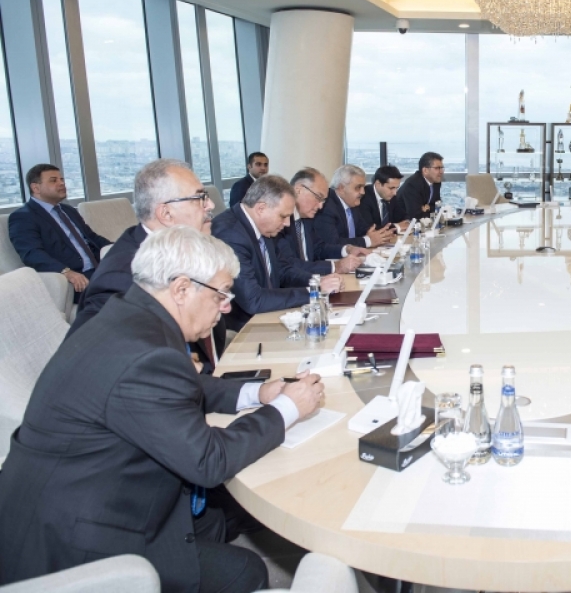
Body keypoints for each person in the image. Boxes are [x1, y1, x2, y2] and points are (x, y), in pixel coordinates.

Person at [0, 226, 326, 592]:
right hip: (77, 539)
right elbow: (208, 460)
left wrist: (259, 393)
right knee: (244, 570)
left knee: (236, 511)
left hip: (78, 492)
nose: (226, 306)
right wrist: (286, 409)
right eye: (220, 293)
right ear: (182, 289)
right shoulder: (146, 353)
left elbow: (173, 388)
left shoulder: (129, 316)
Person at [69, 161, 223, 376]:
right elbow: (83, 361)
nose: (210, 205)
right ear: (166, 214)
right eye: (200, 198)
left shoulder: (181, 251)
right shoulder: (123, 278)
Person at [212, 174, 340, 330]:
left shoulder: (264, 226)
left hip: (268, 315)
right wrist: (313, 291)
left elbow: (283, 269)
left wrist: (317, 282)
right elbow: (254, 300)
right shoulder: (231, 234)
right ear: (261, 208)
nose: (287, 224)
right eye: (283, 216)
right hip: (245, 328)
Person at [7, 163, 112, 303]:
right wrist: (66, 272)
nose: (61, 183)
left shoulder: (68, 210)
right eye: (53, 180)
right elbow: (32, 253)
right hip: (75, 278)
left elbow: (92, 237)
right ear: (35, 188)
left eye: (62, 179)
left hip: (99, 269)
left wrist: (121, 248)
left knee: (139, 283)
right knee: (121, 296)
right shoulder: (23, 217)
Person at [274, 167, 366, 285]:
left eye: (323, 200)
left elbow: (319, 248)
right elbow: (291, 264)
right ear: (299, 190)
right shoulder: (281, 222)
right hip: (296, 287)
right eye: (318, 197)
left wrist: (347, 249)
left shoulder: (306, 218)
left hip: (314, 282)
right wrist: (335, 266)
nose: (320, 206)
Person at [313, 164, 394, 250]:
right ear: (341, 188)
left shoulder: (352, 203)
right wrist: (367, 241)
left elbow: (363, 229)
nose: (363, 192)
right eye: (358, 187)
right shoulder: (326, 207)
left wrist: (376, 234)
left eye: (363, 187)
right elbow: (333, 243)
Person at [391, 152, 445, 222]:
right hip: (403, 223)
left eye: (442, 168)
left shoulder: (436, 182)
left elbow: (437, 206)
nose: (441, 172)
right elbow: (416, 215)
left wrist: (428, 209)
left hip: (423, 222)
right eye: (437, 168)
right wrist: (430, 210)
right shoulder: (412, 185)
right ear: (425, 170)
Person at [356, 164, 405, 232]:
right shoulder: (364, 197)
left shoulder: (392, 196)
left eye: (397, 188)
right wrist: (397, 227)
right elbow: (369, 228)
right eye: (391, 188)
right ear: (378, 184)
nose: (395, 193)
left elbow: (403, 217)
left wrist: (407, 222)